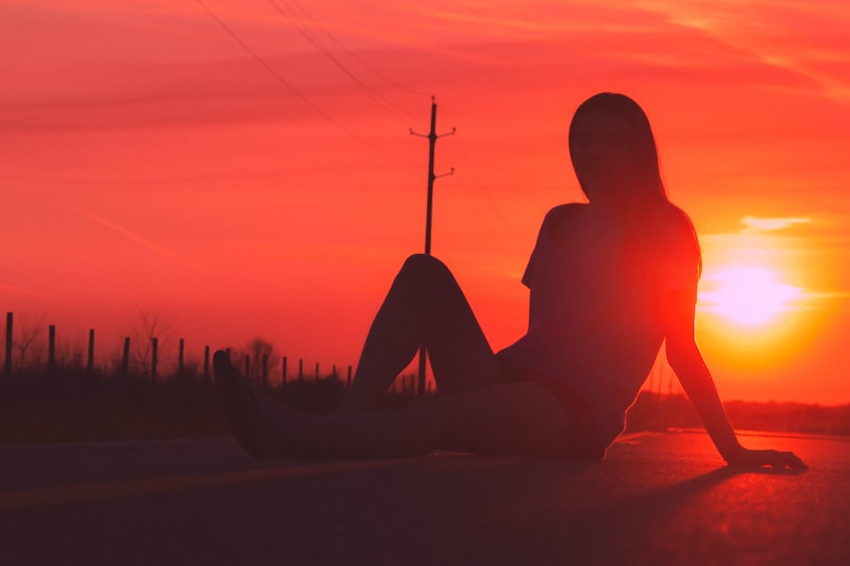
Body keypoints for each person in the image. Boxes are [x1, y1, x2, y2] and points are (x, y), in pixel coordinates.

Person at [214, 92, 806, 468]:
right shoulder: (559, 221)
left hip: (575, 409)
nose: (592, 152)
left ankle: (294, 435)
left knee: (437, 421)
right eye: (581, 140)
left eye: (609, 139)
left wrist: (735, 453)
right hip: (515, 379)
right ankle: (341, 426)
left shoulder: (667, 231)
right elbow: (543, 331)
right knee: (424, 271)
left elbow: (682, 349)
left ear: (638, 149)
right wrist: (492, 383)